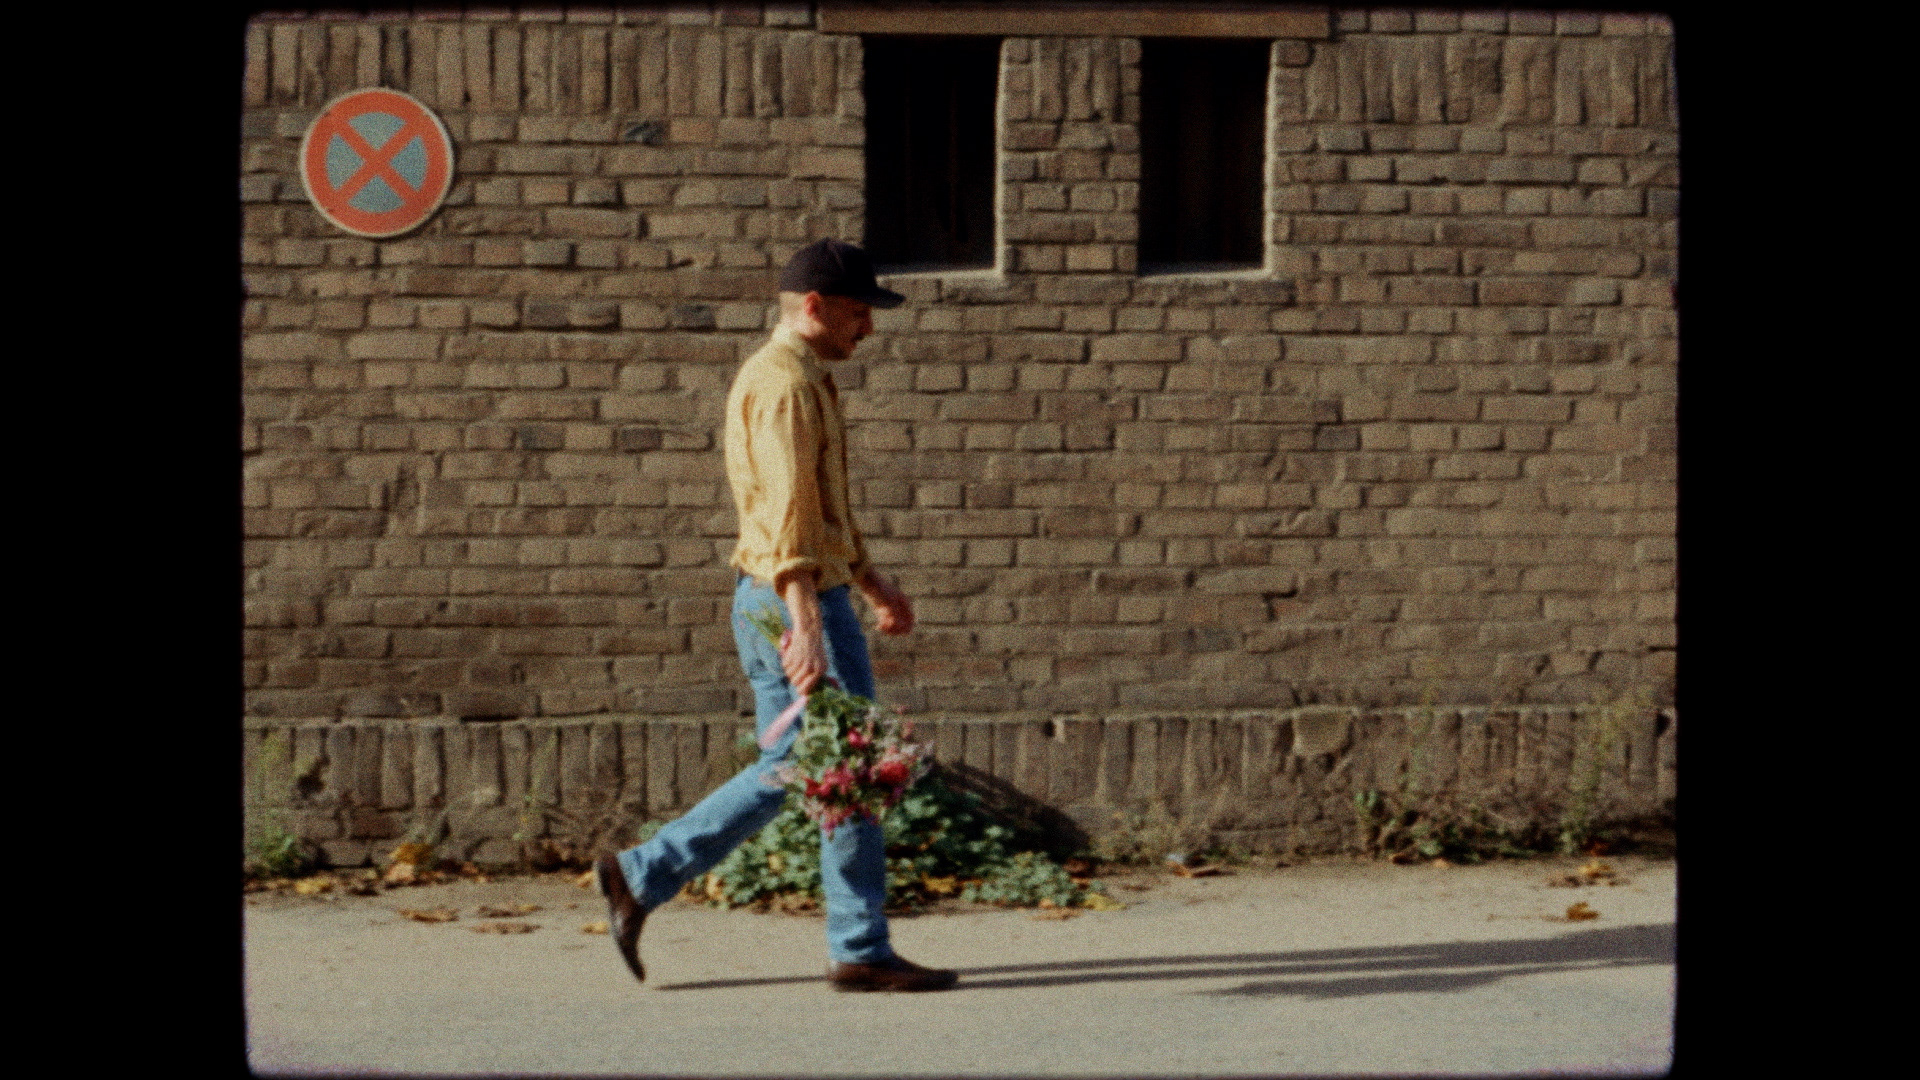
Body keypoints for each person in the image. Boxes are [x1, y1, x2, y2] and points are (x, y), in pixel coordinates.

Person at [594, 239, 959, 993]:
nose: (870, 328)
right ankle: (857, 946)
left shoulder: (802, 378)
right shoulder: (785, 384)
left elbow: (818, 508)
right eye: (859, 312)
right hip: (793, 596)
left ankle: (644, 873)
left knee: (802, 765)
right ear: (814, 306)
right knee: (847, 767)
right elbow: (788, 513)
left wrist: (870, 580)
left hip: (793, 592)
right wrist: (808, 622)